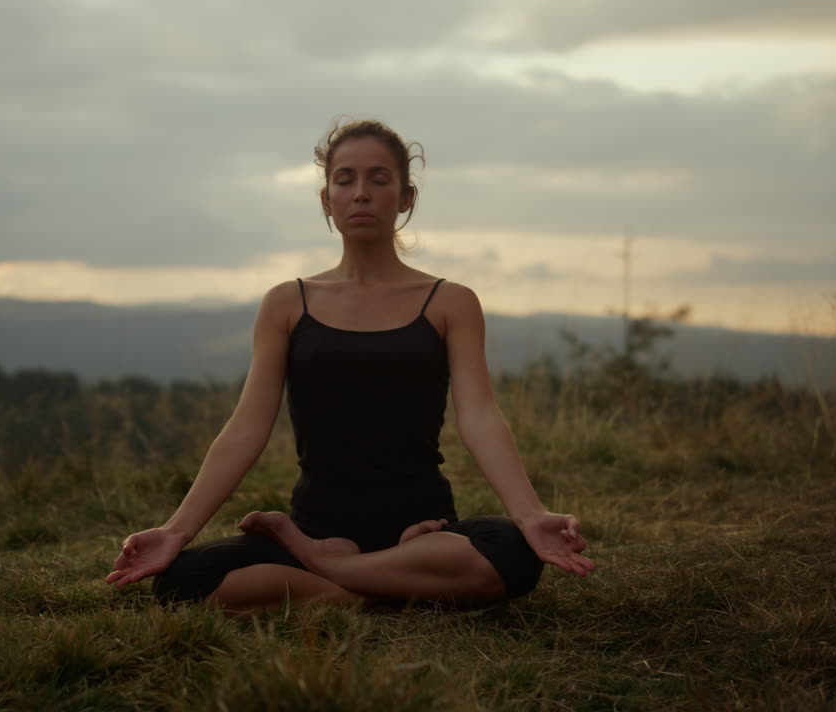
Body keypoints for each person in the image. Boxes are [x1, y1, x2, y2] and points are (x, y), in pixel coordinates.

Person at [106, 119, 594, 612]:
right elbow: (245, 429)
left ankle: (329, 573)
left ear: (406, 198)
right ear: (327, 200)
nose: (361, 193)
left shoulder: (450, 302)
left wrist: (530, 515)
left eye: (379, 180)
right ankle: (390, 587)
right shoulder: (287, 304)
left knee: (513, 552)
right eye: (345, 180)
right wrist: (175, 531)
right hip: (324, 525)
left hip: (423, 530)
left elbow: (481, 418)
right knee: (184, 579)